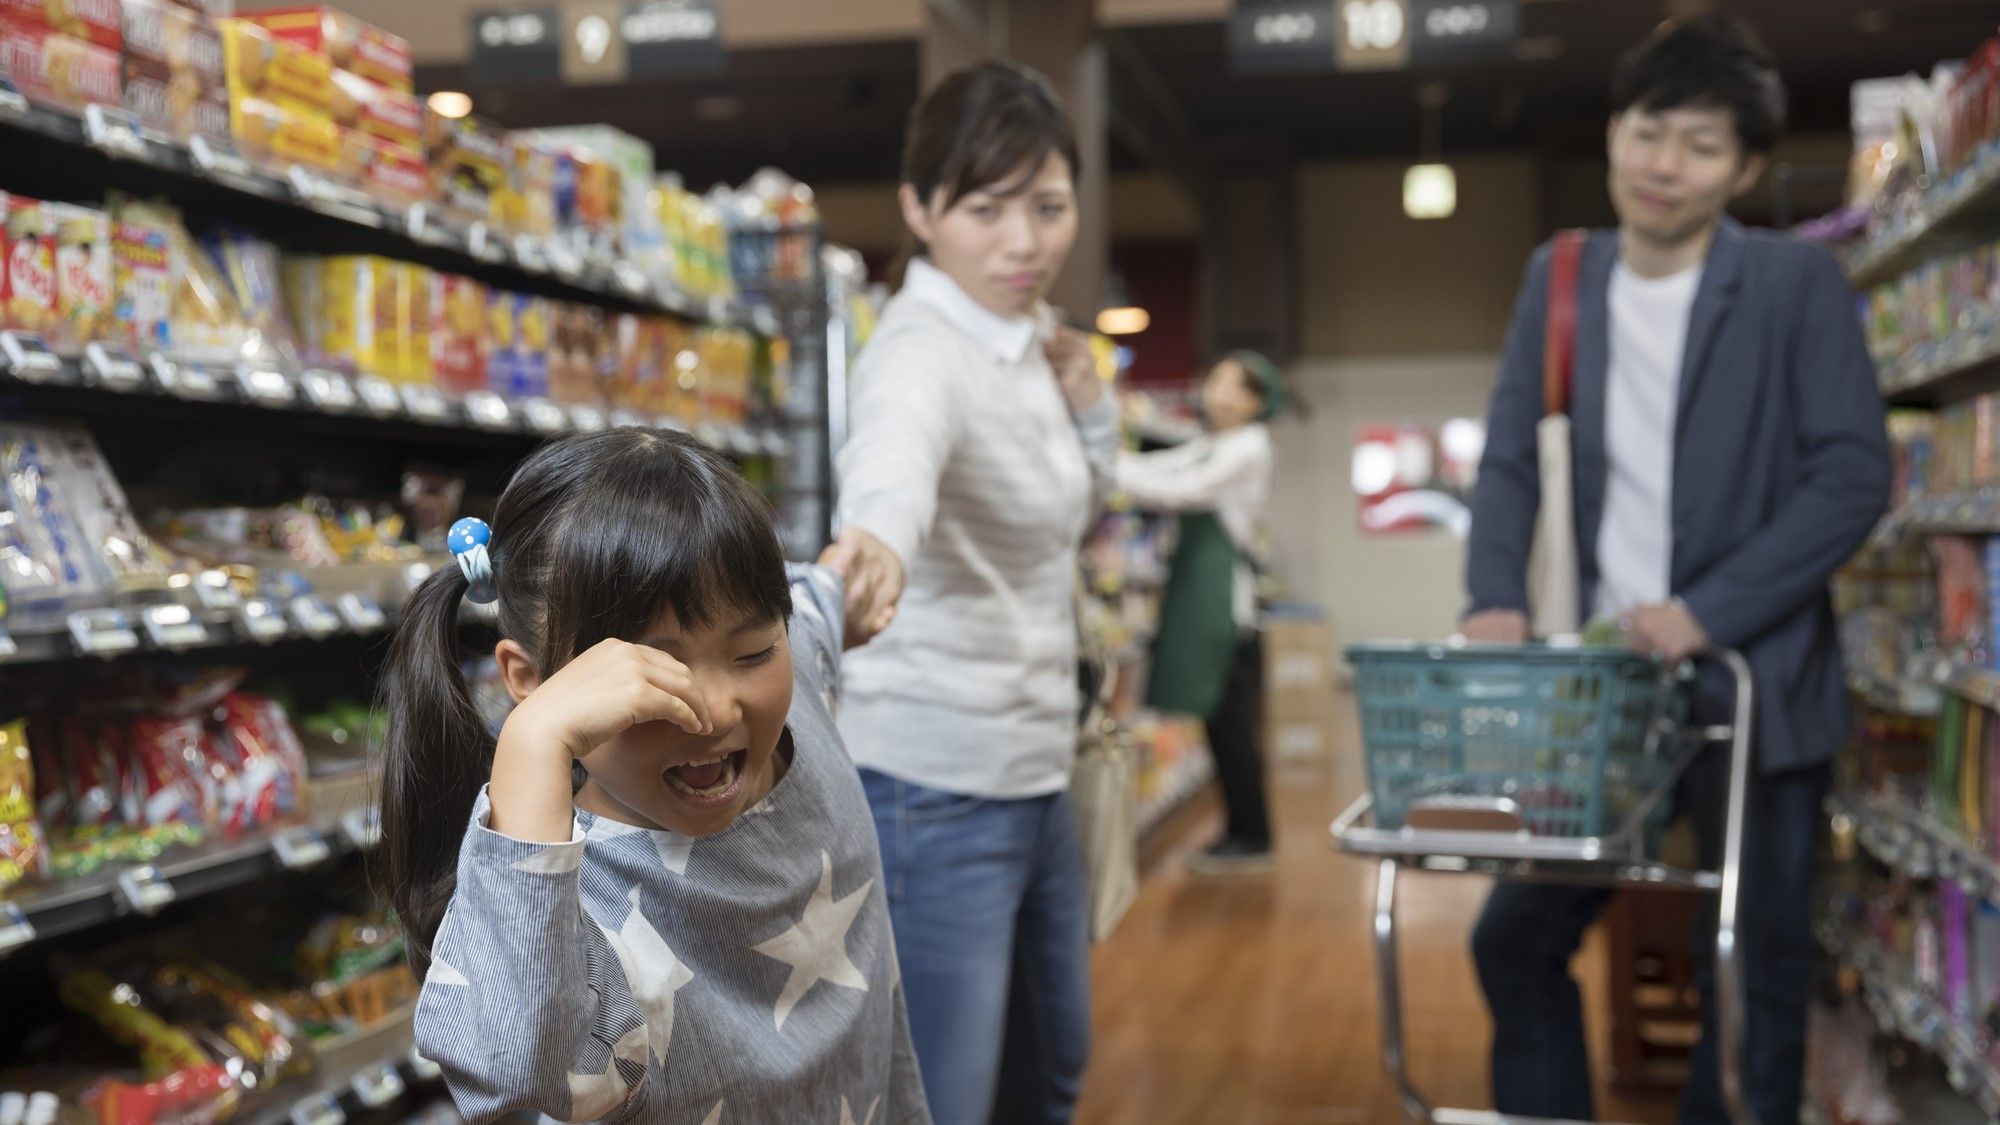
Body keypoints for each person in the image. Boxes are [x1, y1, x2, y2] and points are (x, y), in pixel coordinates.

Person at [1461, 15, 1890, 1124]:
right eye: (1649, 132)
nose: (1663, 166)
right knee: (1513, 939)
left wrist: (1707, 610)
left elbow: (1849, 479)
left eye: (1700, 146)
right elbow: (1508, 454)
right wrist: (1494, 598)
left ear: (1743, 168)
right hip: (1605, 690)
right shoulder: (1559, 275)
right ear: (1612, 132)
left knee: (1751, 966)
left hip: (1759, 682)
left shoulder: (1794, 284)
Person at [376, 429, 929, 1125]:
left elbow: (826, 595)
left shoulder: (804, 686)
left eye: (753, 650)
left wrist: (871, 552)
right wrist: (530, 742)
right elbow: (515, 1071)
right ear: (532, 681)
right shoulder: (573, 917)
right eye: (648, 675)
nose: (713, 709)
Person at [817, 62, 1113, 1125]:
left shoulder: (1028, 339)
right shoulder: (922, 345)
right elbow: (898, 447)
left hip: (1033, 766)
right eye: (985, 211)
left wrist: (1088, 408)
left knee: (1051, 1071)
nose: (1022, 243)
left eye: (1047, 207)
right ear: (918, 209)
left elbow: (1079, 503)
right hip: (932, 784)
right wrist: (877, 540)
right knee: (947, 1096)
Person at [1116, 353, 1282, 873]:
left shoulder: (1249, 445)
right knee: (1218, 721)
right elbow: (1162, 467)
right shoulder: (1212, 444)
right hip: (1197, 586)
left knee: (1229, 719)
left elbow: (1185, 489)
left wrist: (1101, 467)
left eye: (1241, 388)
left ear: (1259, 403)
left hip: (1221, 597)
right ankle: (1240, 829)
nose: (1224, 394)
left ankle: (1252, 837)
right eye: (1218, 380)